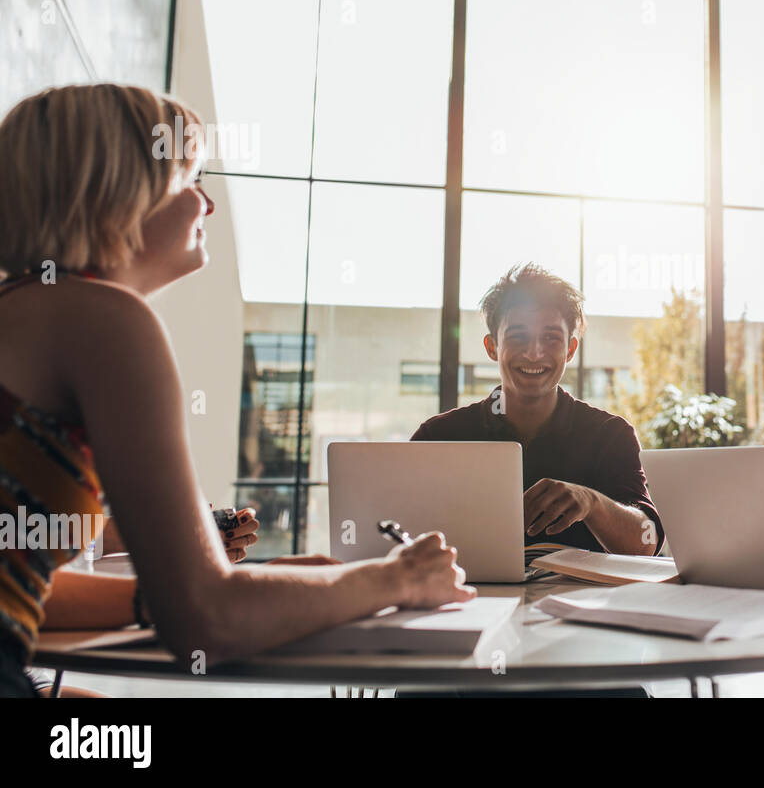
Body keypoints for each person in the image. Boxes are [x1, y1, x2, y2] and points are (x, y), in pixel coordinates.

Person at [0, 84, 474, 698]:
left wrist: (250, 585)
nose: (206, 204)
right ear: (116, 192)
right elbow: (208, 622)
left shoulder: (23, 308)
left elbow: (32, 589)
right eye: (188, 179)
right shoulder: (105, 321)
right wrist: (396, 581)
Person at [411, 263, 661, 555]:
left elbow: (647, 543)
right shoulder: (438, 435)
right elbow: (397, 531)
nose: (534, 352)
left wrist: (591, 503)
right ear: (492, 347)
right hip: (471, 599)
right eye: (518, 336)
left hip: (578, 599)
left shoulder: (610, 435)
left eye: (551, 338)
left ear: (570, 349)